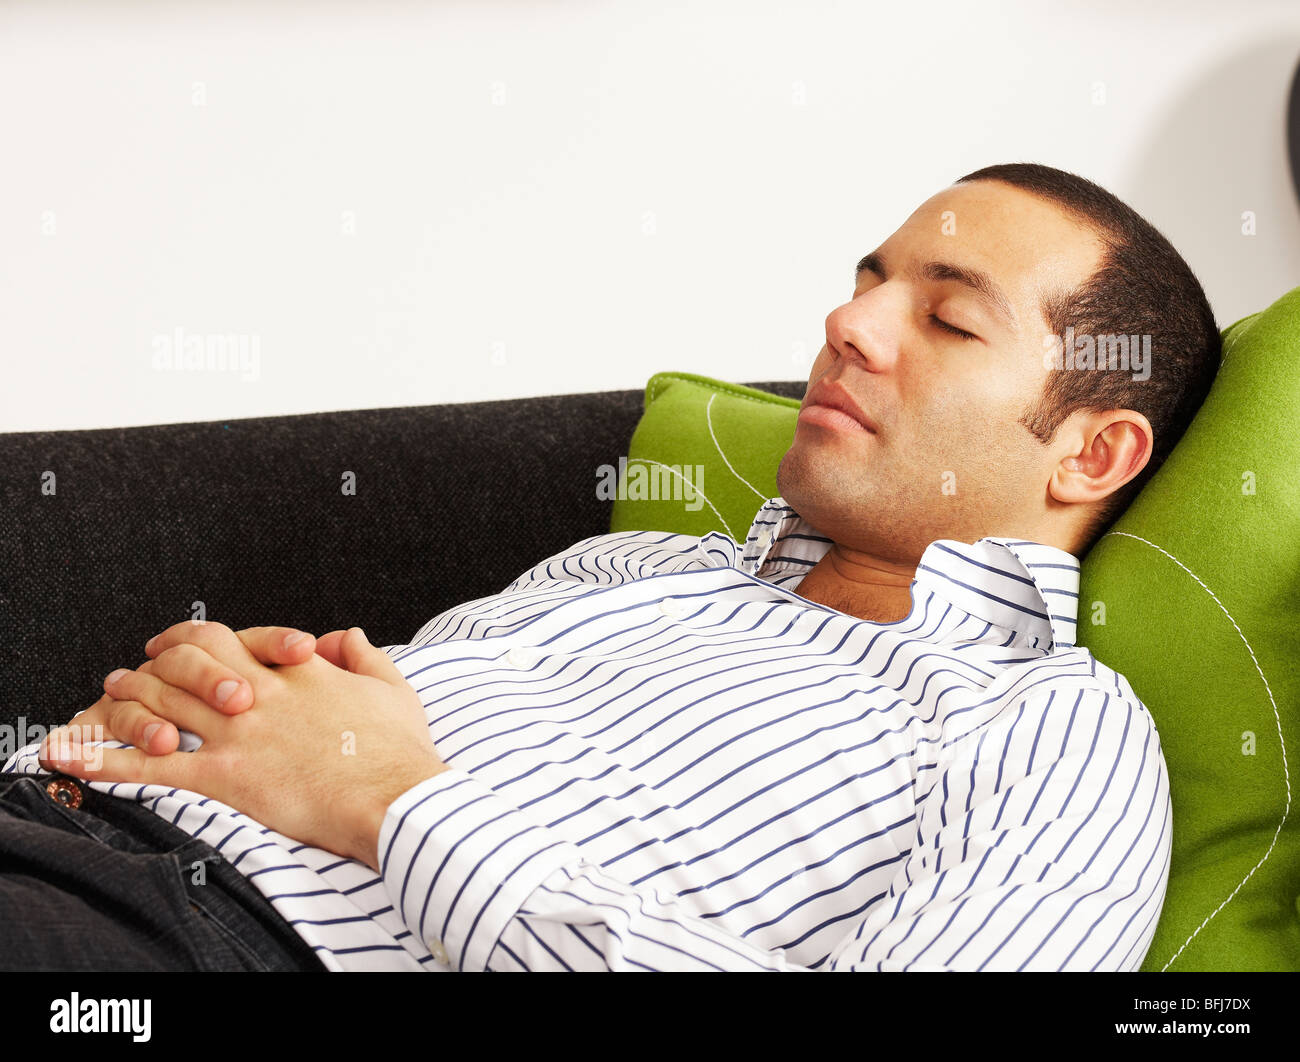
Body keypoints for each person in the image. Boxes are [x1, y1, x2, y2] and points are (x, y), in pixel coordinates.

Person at [2, 162, 1220, 971]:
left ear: (1090, 451)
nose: (849, 327)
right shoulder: (632, 564)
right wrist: (214, 700)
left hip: (195, 938)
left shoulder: (1050, 729)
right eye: (869, 284)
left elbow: (369, 780)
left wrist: (392, 804)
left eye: (949, 320)